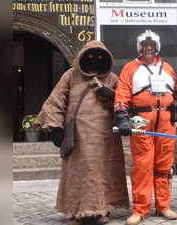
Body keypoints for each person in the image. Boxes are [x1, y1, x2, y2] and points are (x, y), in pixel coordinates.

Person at [33, 40, 129, 225]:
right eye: (91, 56)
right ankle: (74, 212)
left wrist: (111, 96)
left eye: (99, 57)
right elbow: (56, 100)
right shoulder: (71, 75)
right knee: (77, 173)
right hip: (78, 135)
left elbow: (122, 103)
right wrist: (56, 127)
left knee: (102, 172)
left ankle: (101, 209)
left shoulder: (112, 78)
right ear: (83, 57)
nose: (94, 60)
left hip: (104, 137)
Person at [113, 30, 177, 225]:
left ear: (157, 47)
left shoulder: (167, 68)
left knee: (165, 166)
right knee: (142, 166)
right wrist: (123, 118)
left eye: (151, 45)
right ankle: (140, 209)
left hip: (166, 121)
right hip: (141, 121)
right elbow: (122, 93)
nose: (148, 49)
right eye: (144, 46)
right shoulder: (130, 68)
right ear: (139, 48)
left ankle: (163, 206)